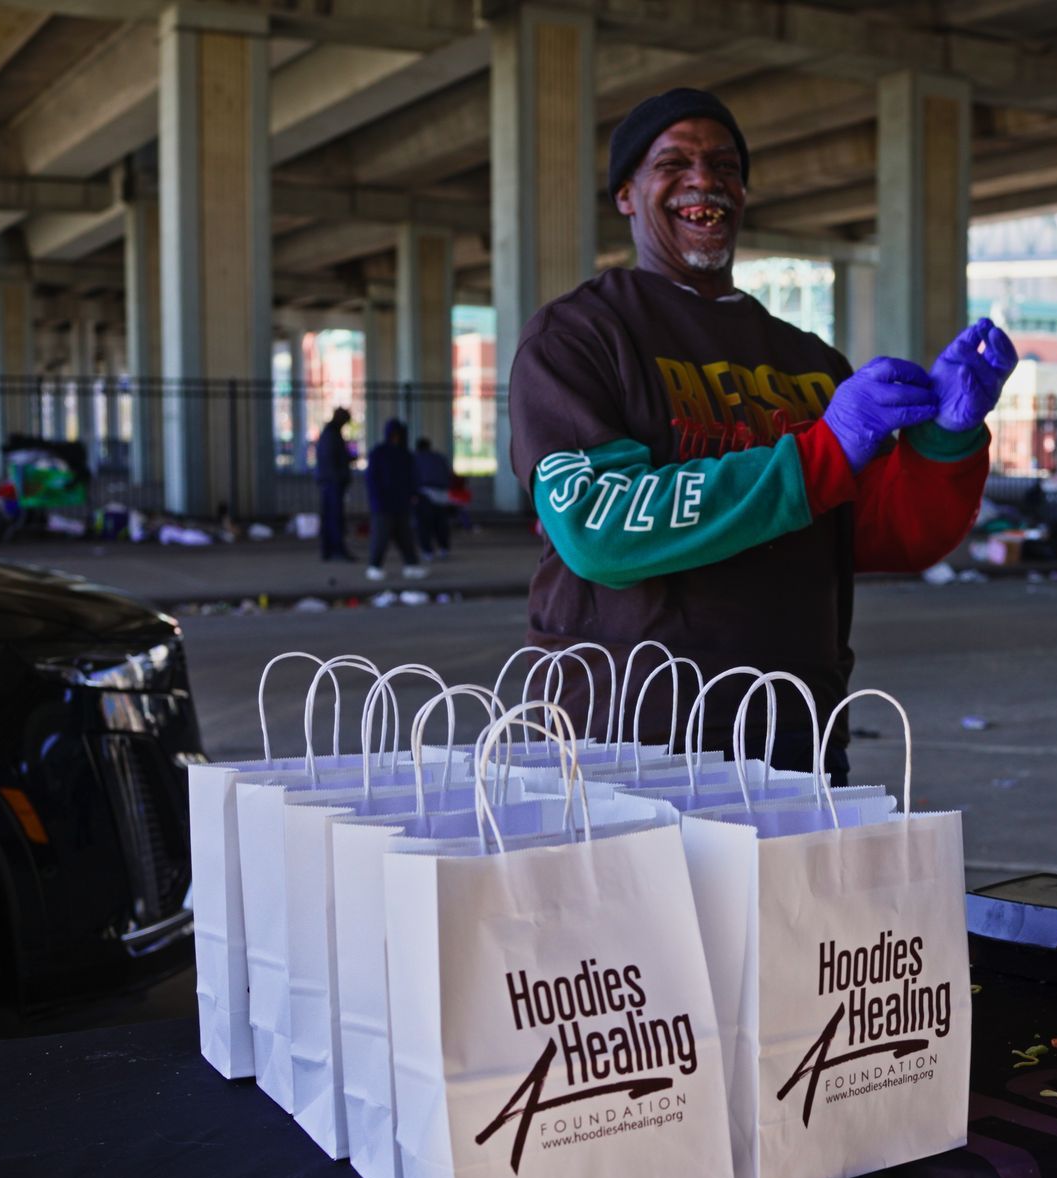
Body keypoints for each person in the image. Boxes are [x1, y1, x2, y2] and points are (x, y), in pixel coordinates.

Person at [508, 87, 1015, 774]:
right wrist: (821, 453)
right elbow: (598, 529)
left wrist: (944, 443)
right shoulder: (580, 335)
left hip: (796, 742)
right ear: (626, 193)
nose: (704, 180)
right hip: (622, 745)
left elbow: (883, 536)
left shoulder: (810, 361)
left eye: (724, 165)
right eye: (673, 163)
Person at [364, 418, 426, 582]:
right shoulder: (379, 453)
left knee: (405, 536)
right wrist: (376, 499)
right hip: (384, 504)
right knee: (381, 536)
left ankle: (411, 565)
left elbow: (412, 477)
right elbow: (372, 479)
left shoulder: (404, 455)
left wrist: (413, 494)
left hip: (401, 503)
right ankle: (374, 566)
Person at [314, 407, 355, 562]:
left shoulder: (330, 433)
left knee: (329, 517)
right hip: (333, 482)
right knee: (334, 517)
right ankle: (336, 549)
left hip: (330, 481)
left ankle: (328, 550)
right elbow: (332, 459)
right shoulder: (331, 434)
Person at [412, 437, 457, 560]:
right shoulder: (439, 457)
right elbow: (449, 475)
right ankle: (444, 549)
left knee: (425, 525)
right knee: (441, 524)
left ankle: (427, 551)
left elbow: (413, 477)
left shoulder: (416, 458)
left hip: (425, 493)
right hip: (442, 495)